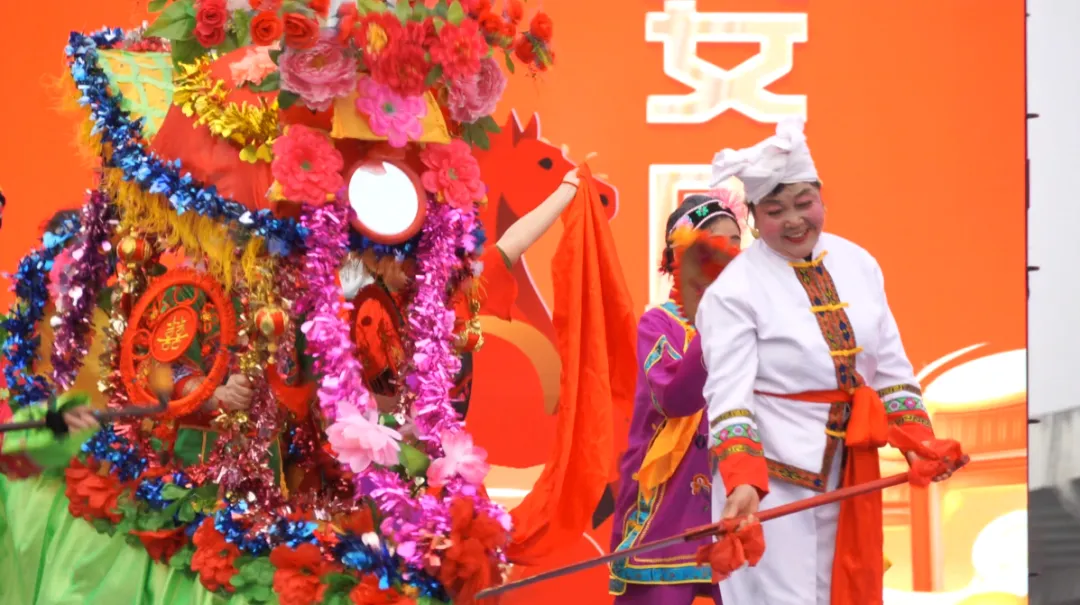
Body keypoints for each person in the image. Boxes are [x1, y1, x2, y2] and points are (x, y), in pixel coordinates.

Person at [698, 118, 948, 605]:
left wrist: (920, 442)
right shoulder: (733, 290)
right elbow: (728, 397)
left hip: (849, 472)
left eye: (804, 203)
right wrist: (743, 480)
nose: (794, 221)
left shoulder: (859, 263)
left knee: (843, 593)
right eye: (775, 211)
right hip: (772, 481)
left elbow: (891, 369)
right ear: (754, 219)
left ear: (822, 200)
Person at [608, 193, 743, 604]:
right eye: (713, 241)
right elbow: (674, 397)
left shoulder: (752, 323)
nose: (729, 252)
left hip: (739, 489)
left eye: (736, 241)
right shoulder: (659, 324)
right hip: (670, 500)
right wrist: (715, 323)